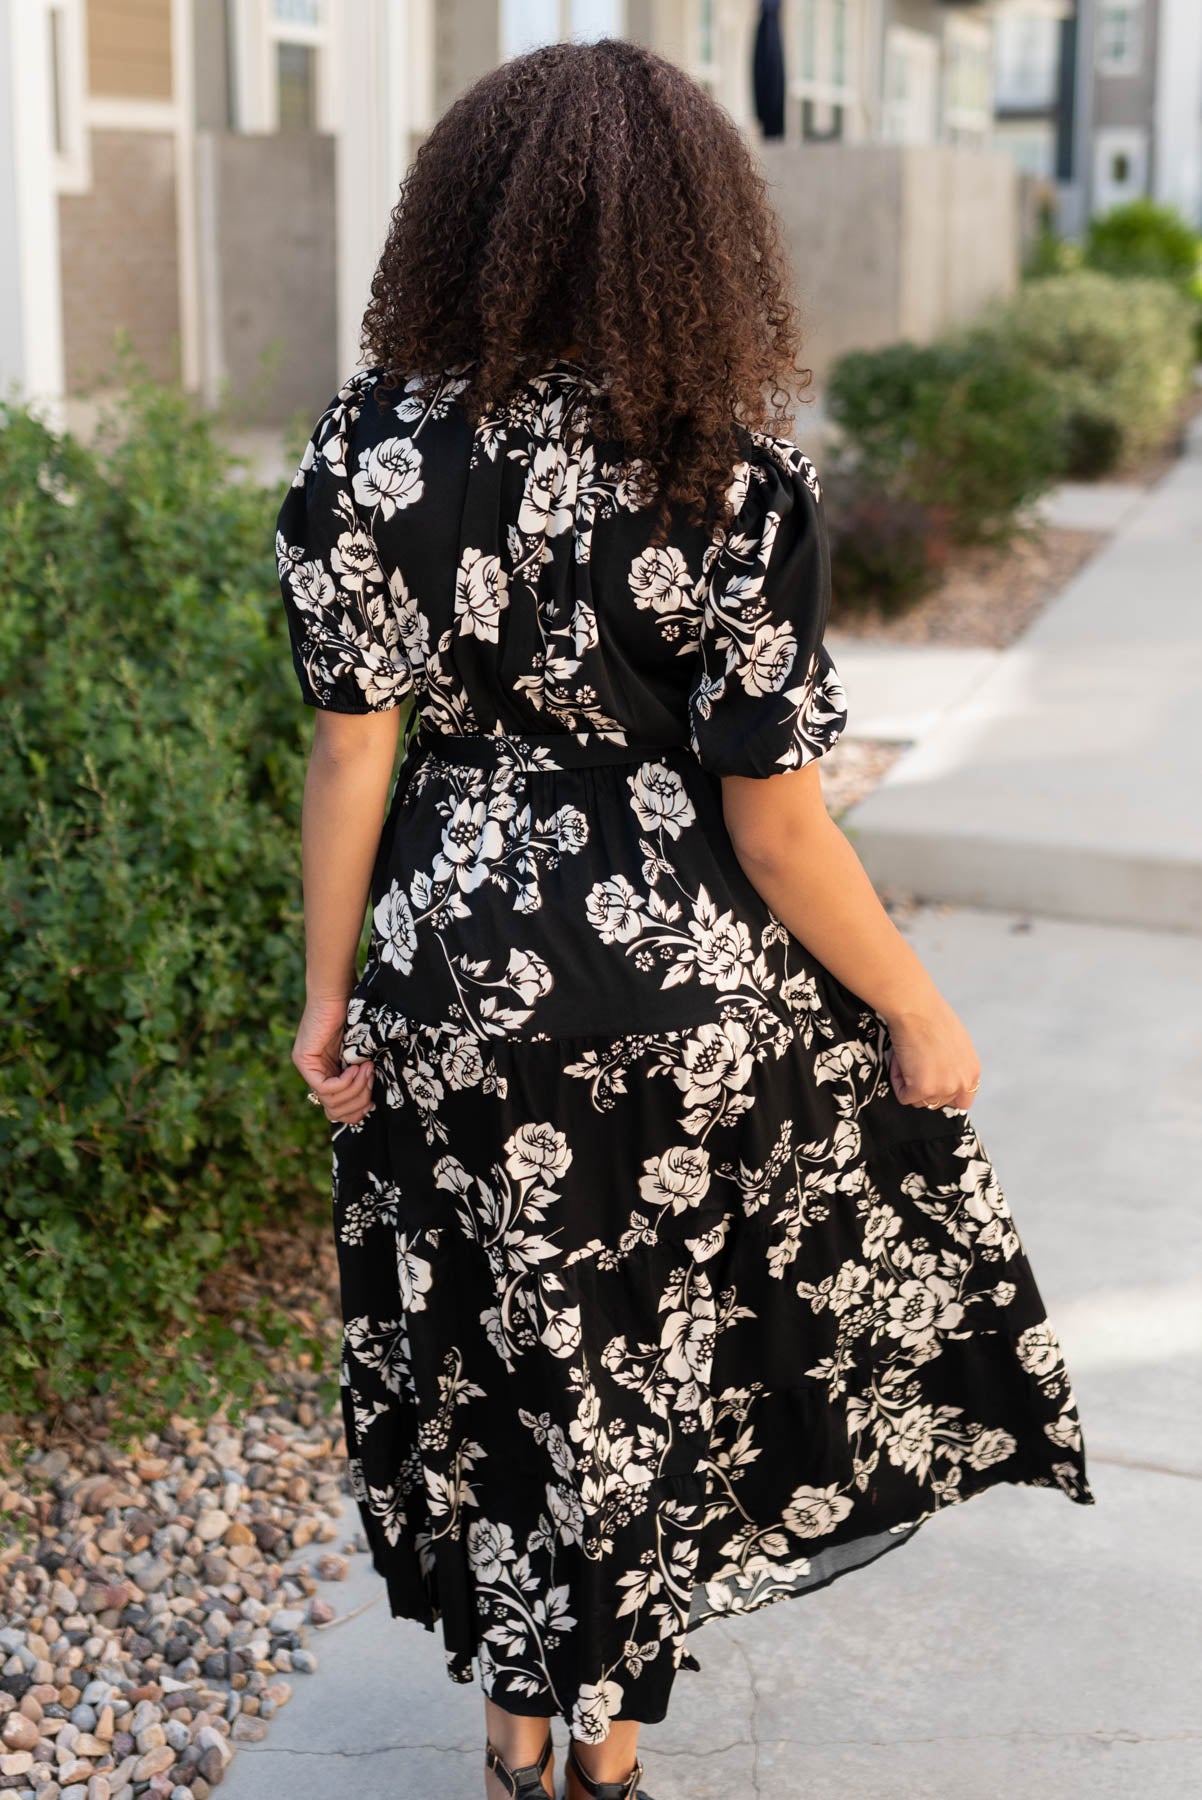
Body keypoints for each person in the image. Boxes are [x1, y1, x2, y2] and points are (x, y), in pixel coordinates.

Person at [275, 37, 1094, 1800]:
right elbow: (773, 810)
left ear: (460, 225)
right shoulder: (725, 462)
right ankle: (608, 1754)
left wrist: (328, 998)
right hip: (682, 1002)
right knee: (647, 1363)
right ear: (696, 236)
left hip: (452, 990)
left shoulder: (372, 449)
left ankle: (507, 1732)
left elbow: (355, 749)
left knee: (486, 1347)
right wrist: (913, 1002)